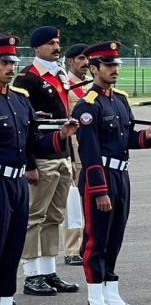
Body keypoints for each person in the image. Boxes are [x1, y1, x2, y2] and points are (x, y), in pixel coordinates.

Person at [73, 42, 151, 305]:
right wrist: (99, 190)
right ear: (93, 69)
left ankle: (111, 294)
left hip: (121, 174)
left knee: (115, 237)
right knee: (96, 239)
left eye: (116, 65)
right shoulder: (87, 106)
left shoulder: (120, 99)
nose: (114, 69)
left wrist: (147, 135)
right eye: (108, 65)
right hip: (100, 177)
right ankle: (95, 298)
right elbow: (90, 152)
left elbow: (124, 139)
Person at [0, 34, 79, 305]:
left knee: (11, 248)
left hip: (17, 182)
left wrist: (61, 136)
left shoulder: (19, 101)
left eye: (12, 62)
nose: (10, 67)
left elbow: (33, 141)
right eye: (4, 62)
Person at [63, 42, 90, 266]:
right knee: (75, 202)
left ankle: (86, 245)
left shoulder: (91, 86)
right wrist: (70, 157)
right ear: (71, 61)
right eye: (81, 58)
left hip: (92, 150)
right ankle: (72, 249)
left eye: (87, 59)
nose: (85, 63)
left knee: (91, 201)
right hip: (76, 150)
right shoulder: (66, 86)